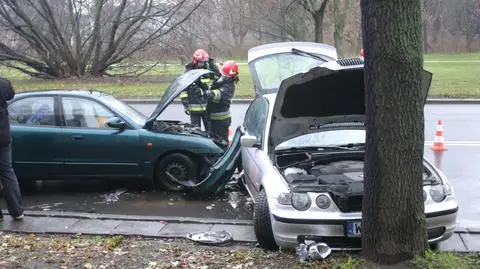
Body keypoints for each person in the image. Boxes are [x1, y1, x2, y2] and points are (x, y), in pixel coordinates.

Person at [0, 76, 24, 221]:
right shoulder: (3, 83)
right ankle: (16, 211)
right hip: (2, 136)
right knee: (7, 173)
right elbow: (11, 95)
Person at [180, 49, 221, 131]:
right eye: (201, 62)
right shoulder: (189, 73)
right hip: (194, 108)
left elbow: (218, 76)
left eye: (204, 62)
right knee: (196, 132)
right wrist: (185, 104)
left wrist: (212, 64)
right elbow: (184, 90)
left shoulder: (207, 71)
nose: (203, 64)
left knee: (210, 131)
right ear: (196, 61)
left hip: (207, 107)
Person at [203, 60, 239, 145]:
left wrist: (208, 93)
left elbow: (218, 94)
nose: (222, 76)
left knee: (222, 142)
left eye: (224, 75)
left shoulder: (229, 86)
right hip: (214, 119)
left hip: (221, 121)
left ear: (230, 77)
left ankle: (223, 156)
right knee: (213, 141)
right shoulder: (223, 80)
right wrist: (210, 64)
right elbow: (217, 73)